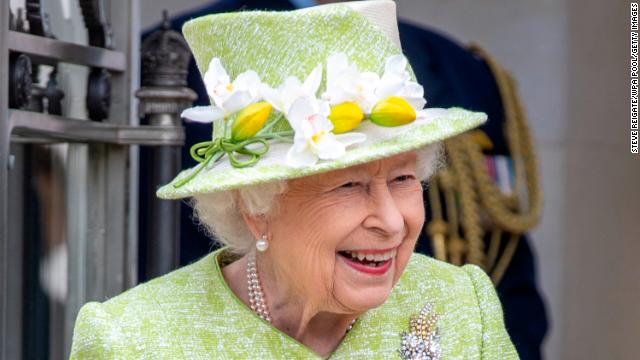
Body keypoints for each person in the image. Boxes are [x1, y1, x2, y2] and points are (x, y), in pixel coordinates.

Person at [71, 1, 518, 358]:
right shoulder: (133, 343)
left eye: (402, 179)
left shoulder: (461, 306)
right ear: (254, 207)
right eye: (350, 185)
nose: (392, 221)